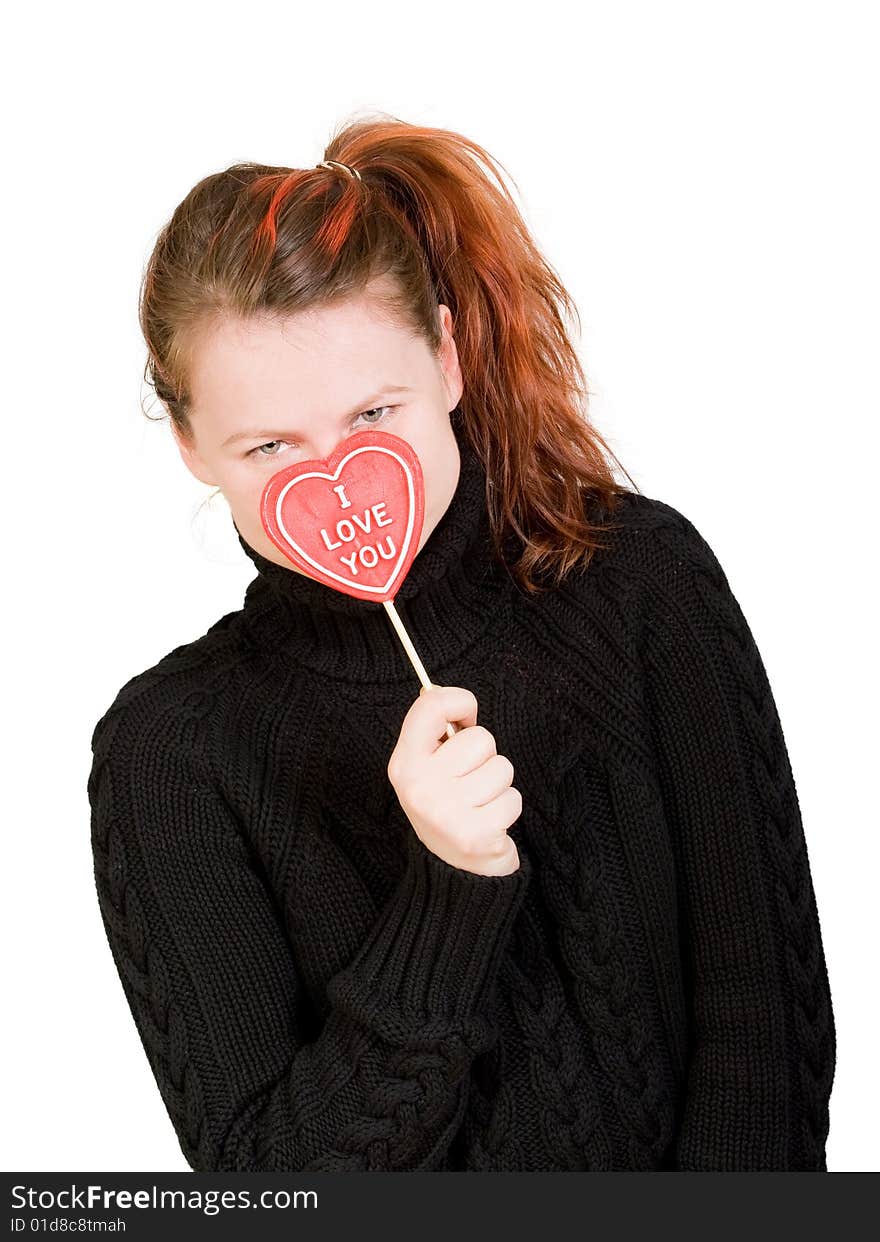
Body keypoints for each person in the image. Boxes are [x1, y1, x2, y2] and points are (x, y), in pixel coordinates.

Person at [87, 116, 836, 1172]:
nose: (333, 476)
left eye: (374, 413)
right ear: (189, 447)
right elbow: (266, 1191)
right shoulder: (169, 755)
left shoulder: (640, 584)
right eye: (267, 446)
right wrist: (448, 888)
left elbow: (766, 1041)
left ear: (445, 358)